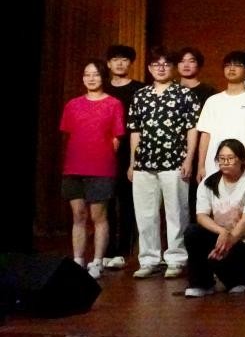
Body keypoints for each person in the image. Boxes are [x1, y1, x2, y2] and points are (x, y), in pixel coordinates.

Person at [128, 48, 202, 280]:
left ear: (172, 68)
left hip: (174, 162)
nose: (161, 68)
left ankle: (176, 259)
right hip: (144, 162)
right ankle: (149, 259)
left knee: (176, 213)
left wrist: (189, 159)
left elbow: (192, 129)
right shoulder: (140, 95)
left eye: (166, 64)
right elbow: (135, 131)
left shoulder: (185, 94)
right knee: (145, 214)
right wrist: (132, 162)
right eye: (156, 64)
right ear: (149, 68)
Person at [62, 59, 126, 279]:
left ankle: (97, 261)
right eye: (87, 74)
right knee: (78, 215)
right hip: (73, 167)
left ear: (103, 77)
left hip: (101, 168)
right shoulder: (72, 104)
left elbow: (117, 138)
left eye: (96, 74)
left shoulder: (113, 104)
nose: (91, 78)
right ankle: (78, 260)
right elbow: (69, 134)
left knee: (98, 215)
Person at [183, 139, 245, 297]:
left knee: (225, 261)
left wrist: (227, 242)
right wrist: (222, 232)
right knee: (193, 232)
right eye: (221, 159)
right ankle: (201, 284)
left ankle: (241, 279)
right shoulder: (208, 183)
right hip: (220, 237)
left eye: (230, 158)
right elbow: (201, 216)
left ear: (242, 160)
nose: (225, 162)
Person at [102, 44, 145, 270]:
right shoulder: (102, 88)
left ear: (131, 63)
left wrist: (135, 159)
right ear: (108, 64)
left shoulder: (140, 89)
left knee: (128, 203)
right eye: (115, 59)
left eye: (124, 59)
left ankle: (123, 250)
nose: (120, 63)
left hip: (130, 152)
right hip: (103, 152)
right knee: (105, 202)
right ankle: (107, 249)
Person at [196, 51, 245, 182]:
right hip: (214, 166)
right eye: (228, 65)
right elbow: (205, 135)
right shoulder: (213, 101)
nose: (231, 68)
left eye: (237, 65)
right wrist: (201, 166)